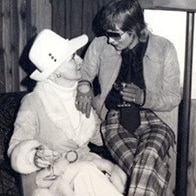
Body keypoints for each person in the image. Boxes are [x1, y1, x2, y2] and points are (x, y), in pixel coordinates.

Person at [75, 0, 181, 195]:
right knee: (145, 169)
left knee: (146, 159)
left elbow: (174, 96)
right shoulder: (99, 46)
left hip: (157, 120)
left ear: (134, 29)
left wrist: (144, 98)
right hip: (114, 120)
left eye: (115, 34)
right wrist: (83, 85)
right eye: (107, 33)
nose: (109, 40)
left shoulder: (164, 47)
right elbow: (83, 73)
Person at [7, 29, 127, 196]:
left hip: (89, 167)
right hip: (54, 178)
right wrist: (33, 157)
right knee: (85, 173)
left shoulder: (81, 97)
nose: (80, 60)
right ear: (55, 72)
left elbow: (101, 137)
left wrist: (126, 134)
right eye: (72, 58)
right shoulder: (33, 102)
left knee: (99, 174)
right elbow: (16, 146)